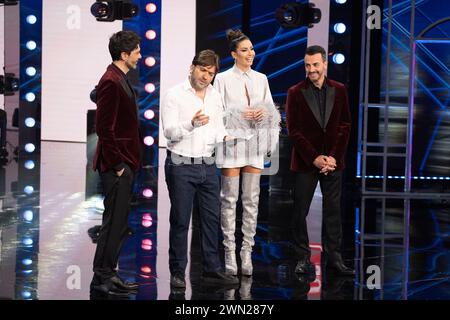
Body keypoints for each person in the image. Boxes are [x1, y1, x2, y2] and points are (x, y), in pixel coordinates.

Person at [161, 49, 239, 288]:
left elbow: (215, 128)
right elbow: (169, 133)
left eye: (211, 73)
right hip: (181, 163)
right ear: (192, 67)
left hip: (208, 164)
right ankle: (177, 271)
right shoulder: (174, 94)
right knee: (181, 220)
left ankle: (212, 269)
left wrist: (227, 136)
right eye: (203, 71)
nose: (206, 77)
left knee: (210, 219)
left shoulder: (215, 96)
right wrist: (191, 124)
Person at [213, 29, 280, 276]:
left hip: (254, 144)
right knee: (229, 200)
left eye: (251, 49)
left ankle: (246, 252)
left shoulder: (261, 78)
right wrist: (239, 115)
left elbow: (271, 109)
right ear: (234, 54)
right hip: (232, 143)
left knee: (251, 201)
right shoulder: (221, 79)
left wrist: (265, 113)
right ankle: (229, 251)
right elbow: (216, 112)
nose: (250, 53)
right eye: (244, 50)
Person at [285, 45, 354, 277]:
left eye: (315, 64)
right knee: (299, 211)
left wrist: (333, 157)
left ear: (325, 64)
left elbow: (345, 125)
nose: (311, 69)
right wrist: (314, 158)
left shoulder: (340, 90)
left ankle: (334, 258)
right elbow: (293, 130)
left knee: (333, 211)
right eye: (307, 65)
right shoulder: (295, 92)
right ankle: (303, 258)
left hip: (333, 162)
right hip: (306, 162)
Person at [91, 30, 142, 296]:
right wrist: (119, 165)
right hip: (117, 165)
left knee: (117, 222)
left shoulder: (118, 77)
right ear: (124, 54)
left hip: (123, 162)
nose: (140, 55)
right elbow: (104, 129)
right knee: (114, 223)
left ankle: (106, 273)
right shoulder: (111, 81)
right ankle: (104, 276)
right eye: (136, 51)